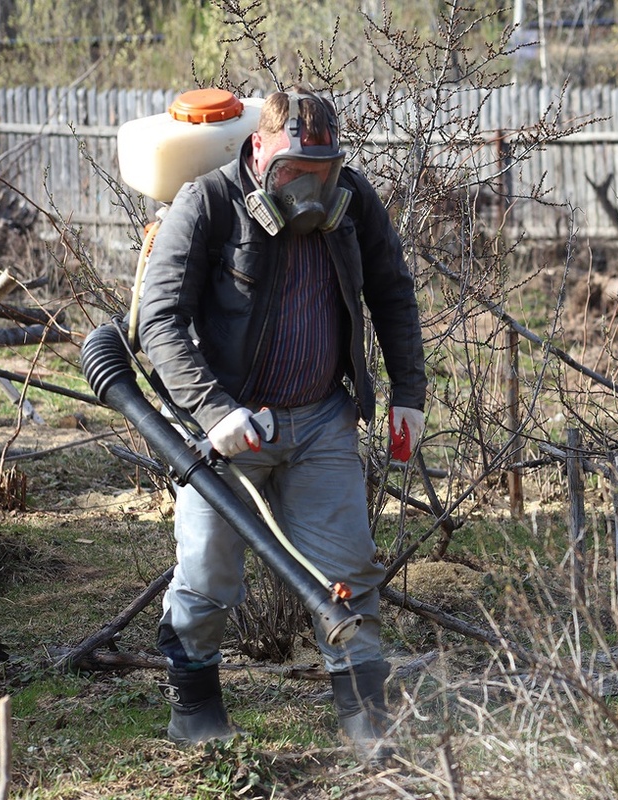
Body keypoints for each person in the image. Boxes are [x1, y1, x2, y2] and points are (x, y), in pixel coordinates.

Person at [136, 87, 427, 762]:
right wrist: (215, 412)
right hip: (230, 433)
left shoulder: (351, 203)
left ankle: (366, 724)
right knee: (208, 575)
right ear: (259, 148)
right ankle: (196, 710)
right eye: (296, 170)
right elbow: (159, 322)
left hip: (323, 418)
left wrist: (408, 390)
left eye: (322, 170)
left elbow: (391, 290)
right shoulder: (207, 202)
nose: (312, 186)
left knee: (349, 570)